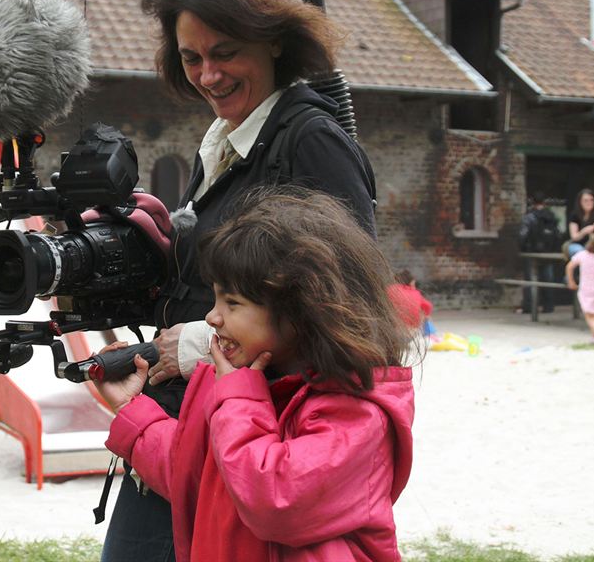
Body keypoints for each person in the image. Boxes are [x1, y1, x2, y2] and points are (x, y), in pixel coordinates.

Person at [100, 0, 378, 561]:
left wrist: (197, 344)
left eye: (225, 52)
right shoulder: (226, 141)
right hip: (191, 429)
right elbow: (235, 281)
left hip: (248, 444)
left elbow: (348, 315)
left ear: (275, 41)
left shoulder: (312, 143)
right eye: (191, 57)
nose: (208, 74)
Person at [94, 189, 415, 562]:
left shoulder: (356, 411)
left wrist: (240, 399)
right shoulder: (242, 384)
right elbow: (197, 475)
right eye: (215, 299)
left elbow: (275, 501)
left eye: (232, 303)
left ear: (301, 310)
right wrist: (132, 409)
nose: (213, 317)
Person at [565, 232, 594, 344]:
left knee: (588, 315)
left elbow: (569, 267)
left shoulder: (582, 255)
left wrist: (571, 281)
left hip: (586, 289)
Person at [517, 190, 559, 314]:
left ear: (532, 202)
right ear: (545, 202)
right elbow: (557, 234)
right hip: (548, 252)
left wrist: (523, 248)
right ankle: (549, 306)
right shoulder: (551, 216)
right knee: (548, 279)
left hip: (532, 252)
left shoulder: (529, 217)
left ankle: (530, 306)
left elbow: (522, 235)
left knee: (530, 279)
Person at [388, 269, 436, 336]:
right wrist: (427, 316)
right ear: (411, 282)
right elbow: (428, 306)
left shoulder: (390, 290)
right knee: (423, 309)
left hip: (394, 328)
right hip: (413, 329)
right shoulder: (415, 293)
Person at [566, 188, 594, 259]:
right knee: (582, 252)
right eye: (586, 200)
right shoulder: (574, 215)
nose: (589, 203)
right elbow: (574, 237)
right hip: (577, 245)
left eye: (592, 200)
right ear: (580, 202)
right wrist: (584, 231)